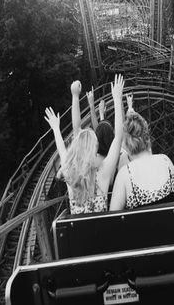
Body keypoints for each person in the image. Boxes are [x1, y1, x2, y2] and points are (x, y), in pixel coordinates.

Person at [44, 74, 124, 214]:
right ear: (95, 148)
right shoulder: (103, 173)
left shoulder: (70, 173)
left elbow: (64, 146)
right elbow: (118, 136)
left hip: (78, 233)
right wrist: (117, 98)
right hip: (102, 230)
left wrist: (56, 128)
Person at [109, 111, 174, 211]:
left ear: (125, 145)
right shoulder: (166, 161)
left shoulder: (124, 174)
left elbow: (112, 218)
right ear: (147, 136)